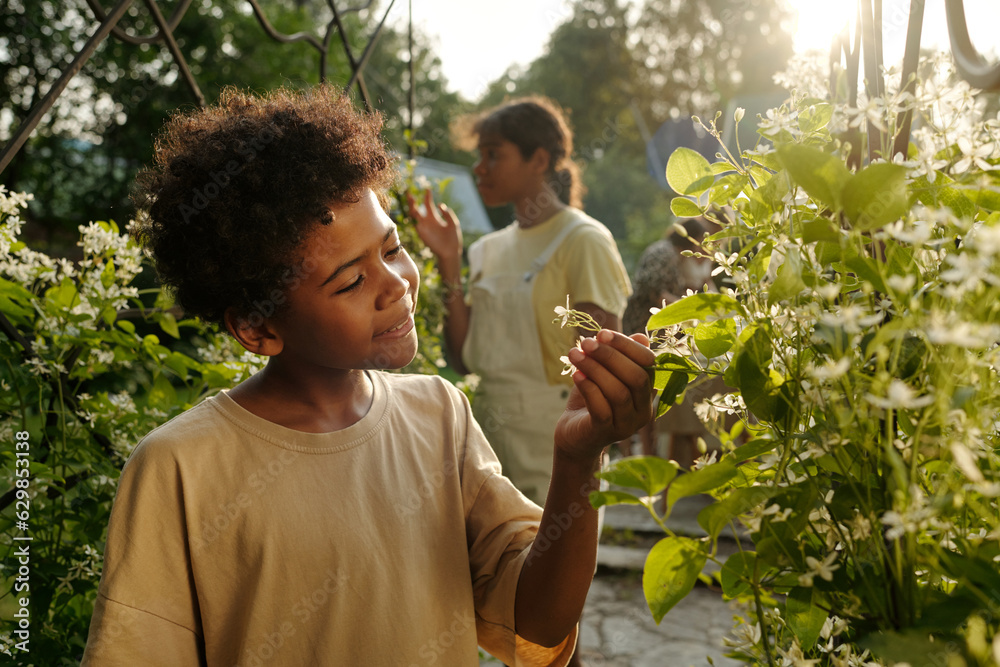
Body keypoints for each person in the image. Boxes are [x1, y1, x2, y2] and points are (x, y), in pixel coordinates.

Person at [79, 85, 654, 667]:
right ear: (256, 329)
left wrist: (578, 461)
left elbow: (537, 620)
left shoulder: (440, 415)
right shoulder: (179, 468)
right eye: (350, 282)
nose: (397, 283)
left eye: (393, 248)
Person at [407, 97, 632, 507]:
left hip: (557, 435)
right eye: (479, 156)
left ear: (539, 160)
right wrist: (449, 261)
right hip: (484, 439)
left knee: (554, 563)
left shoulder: (583, 240)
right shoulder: (486, 250)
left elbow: (604, 368)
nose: (479, 168)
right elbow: (462, 358)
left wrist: (584, 449)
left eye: (493, 155)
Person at [619, 216, 725, 466]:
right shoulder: (664, 253)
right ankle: (643, 455)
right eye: (700, 241)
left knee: (648, 391)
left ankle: (650, 455)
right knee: (644, 390)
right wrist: (690, 313)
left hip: (651, 331)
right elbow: (656, 293)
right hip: (644, 331)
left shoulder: (670, 254)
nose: (700, 247)